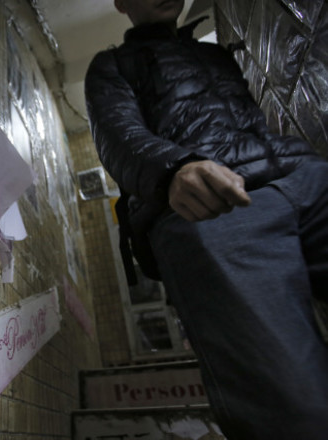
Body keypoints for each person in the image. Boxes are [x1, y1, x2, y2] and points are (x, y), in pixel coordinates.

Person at [85, 1, 328, 438]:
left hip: (300, 178)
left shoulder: (217, 54)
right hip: (210, 203)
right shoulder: (112, 64)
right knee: (297, 408)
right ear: (121, 3)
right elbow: (117, 135)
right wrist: (174, 169)